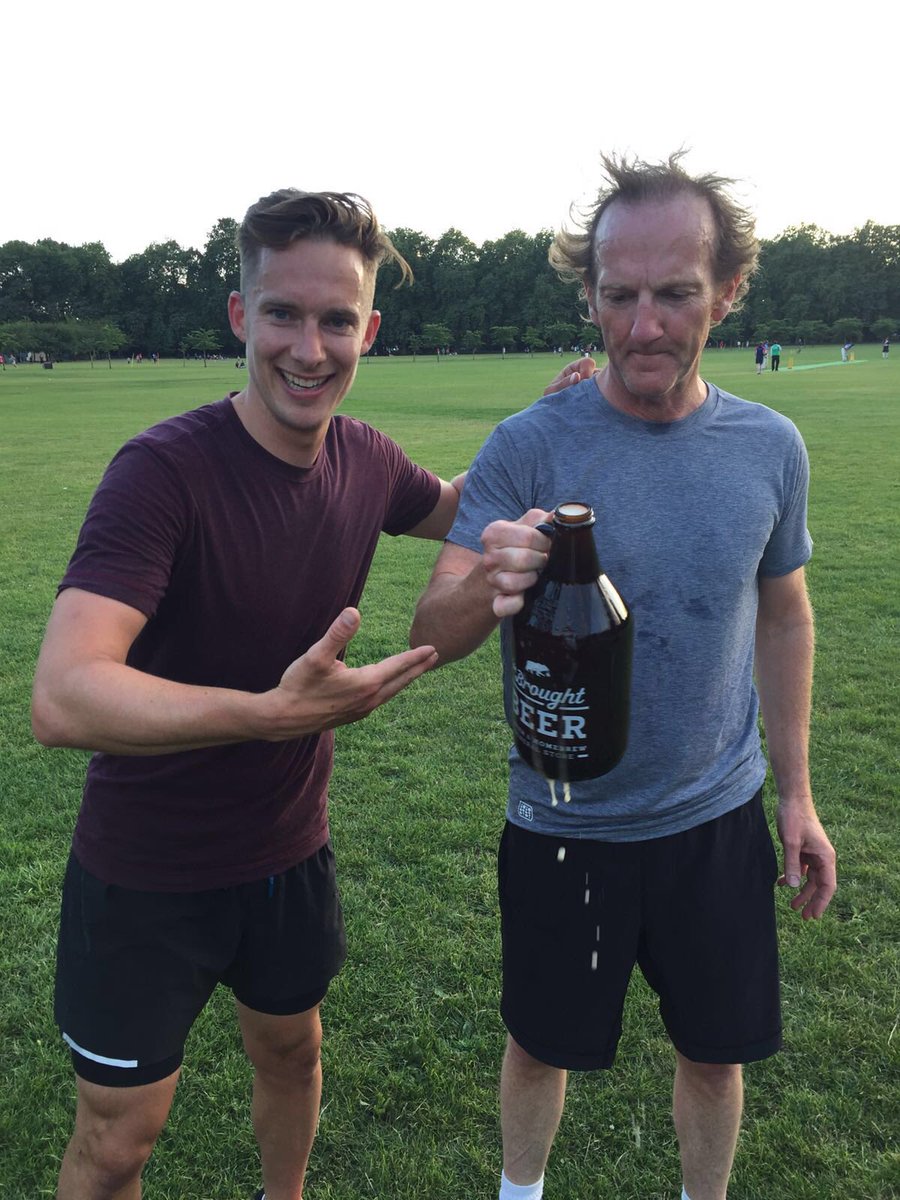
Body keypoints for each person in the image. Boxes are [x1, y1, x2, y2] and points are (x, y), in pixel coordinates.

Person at [31, 186, 589, 1200]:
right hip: (147, 870)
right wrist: (267, 714)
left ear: (367, 331)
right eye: (282, 314)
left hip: (288, 855)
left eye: (337, 320)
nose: (309, 347)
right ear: (239, 316)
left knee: (292, 1056)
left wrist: (541, 426)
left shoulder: (366, 459)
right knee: (117, 1143)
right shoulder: (161, 473)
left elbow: (459, 506)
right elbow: (65, 696)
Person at [410, 152, 837, 1200]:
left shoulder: (770, 447)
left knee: (714, 1054)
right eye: (620, 296)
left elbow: (785, 615)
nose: (644, 327)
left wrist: (796, 796)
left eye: (676, 294)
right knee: (539, 1046)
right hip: (563, 821)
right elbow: (434, 628)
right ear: (591, 296)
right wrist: (492, 579)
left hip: (716, 818)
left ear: (727, 291)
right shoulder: (528, 445)